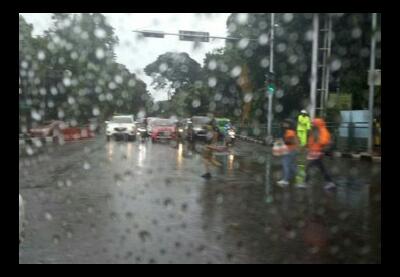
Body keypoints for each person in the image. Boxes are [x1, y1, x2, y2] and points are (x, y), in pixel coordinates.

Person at [297, 118, 336, 190]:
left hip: (318, 153)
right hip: (314, 153)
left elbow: (323, 142)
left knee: (309, 168)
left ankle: (305, 183)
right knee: (321, 169)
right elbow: (311, 141)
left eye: (313, 123)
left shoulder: (323, 131)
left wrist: (316, 142)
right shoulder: (316, 131)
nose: (312, 125)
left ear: (317, 124)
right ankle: (330, 183)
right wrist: (307, 146)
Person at [277, 119, 299, 187]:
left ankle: (285, 180)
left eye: (285, 123)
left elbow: (292, 141)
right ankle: (300, 178)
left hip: (289, 151)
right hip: (292, 150)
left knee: (285, 165)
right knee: (292, 166)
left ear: (289, 125)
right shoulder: (290, 131)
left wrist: (283, 144)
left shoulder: (289, 132)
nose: (283, 124)